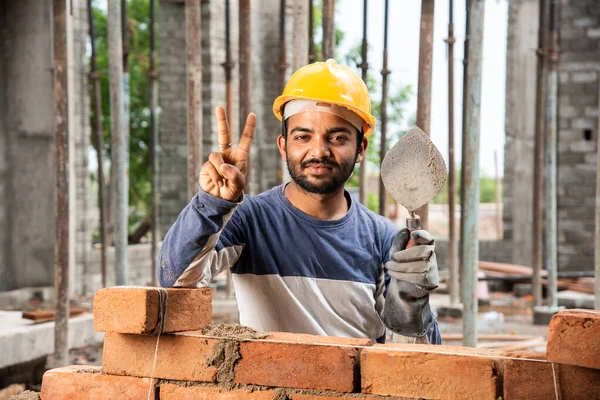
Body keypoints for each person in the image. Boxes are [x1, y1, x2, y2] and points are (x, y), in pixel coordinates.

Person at [158, 59, 441, 344]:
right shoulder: (249, 220)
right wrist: (211, 205)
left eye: (338, 137)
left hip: (358, 388)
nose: (319, 151)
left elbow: (417, 362)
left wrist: (412, 301)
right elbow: (176, 279)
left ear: (360, 149)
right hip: (271, 387)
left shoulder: (385, 239)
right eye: (303, 136)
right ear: (283, 146)